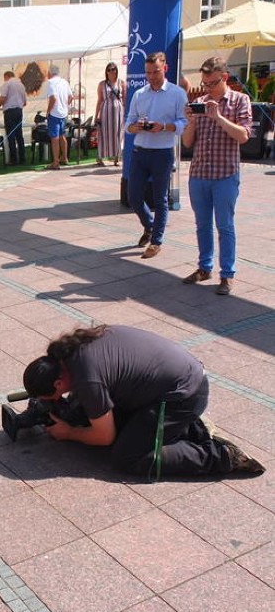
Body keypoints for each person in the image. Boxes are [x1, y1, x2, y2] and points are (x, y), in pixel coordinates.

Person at [23, 325, 265, 478]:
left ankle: (220, 455)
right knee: (91, 413)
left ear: (57, 383)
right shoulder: (72, 353)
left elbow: (103, 436)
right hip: (175, 381)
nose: (56, 400)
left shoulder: (88, 379)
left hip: (184, 396)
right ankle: (189, 429)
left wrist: (70, 433)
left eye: (53, 396)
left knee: (127, 457)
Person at [181, 57, 252, 296]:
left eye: (211, 83)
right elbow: (187, 142)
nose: (207, 88)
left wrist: (219, 118)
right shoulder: (200, 101)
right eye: (204, 83)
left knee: (225, 225)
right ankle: (204, 267)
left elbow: (243, 136)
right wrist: (191, 122)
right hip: (199, 173)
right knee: (202, 224)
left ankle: (227, 274)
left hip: (225, 174)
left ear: (224, 78)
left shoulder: (240, 100)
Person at [124, 51, 188, 259]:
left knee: (160, 199)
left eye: (156, 72)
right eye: (148, 73)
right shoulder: (140, 94)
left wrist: (164, 127)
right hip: (140, 150)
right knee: (133, 196)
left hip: (162, 153)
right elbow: (128, 125)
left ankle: (156, 241)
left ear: (165, 69)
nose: (152, 76)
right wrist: (137, 127)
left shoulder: (177, 94)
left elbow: (183, 124)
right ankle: (149, 226)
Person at [94, 62, 126, 167]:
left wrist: (126, 113)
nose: (112, 71)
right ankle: (100, 157)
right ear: (106, 72)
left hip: (118, 111)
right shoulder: (102, 84)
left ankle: (117, 158)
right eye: (109, 70)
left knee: (118, 133)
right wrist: (96, 115)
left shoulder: (121, 83)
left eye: (113, 69)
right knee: (104, 134)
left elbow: (124, 99)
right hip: (105, 111)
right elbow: (99, 100)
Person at [0, 70, 27, 166]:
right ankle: (22, 158)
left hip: (10, 112)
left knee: (11, 135)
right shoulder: (21, 85)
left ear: (6, 76)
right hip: (19, 111)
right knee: (19, 135)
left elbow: (3, 98)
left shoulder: (7, 84)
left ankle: (13, 159)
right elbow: (25, 102)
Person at [45, 65, 73, 170]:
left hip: (54, 113)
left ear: (50, 73)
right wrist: (65, 105)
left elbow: (53, 98)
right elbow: (71, 96)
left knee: (55, 138)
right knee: (62, 136)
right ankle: (64, 158)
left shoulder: (50, 82)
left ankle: (56, 161)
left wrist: (48, 111)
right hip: (63, 113)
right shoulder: (64, 82)